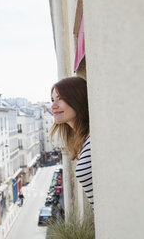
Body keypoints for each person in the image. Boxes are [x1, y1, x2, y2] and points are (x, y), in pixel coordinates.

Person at [50, 76, 94, 209]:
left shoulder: (95, 139)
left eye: (60, 98)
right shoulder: (85, 140)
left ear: (77, 99)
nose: (53, 106)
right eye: (52, 100)